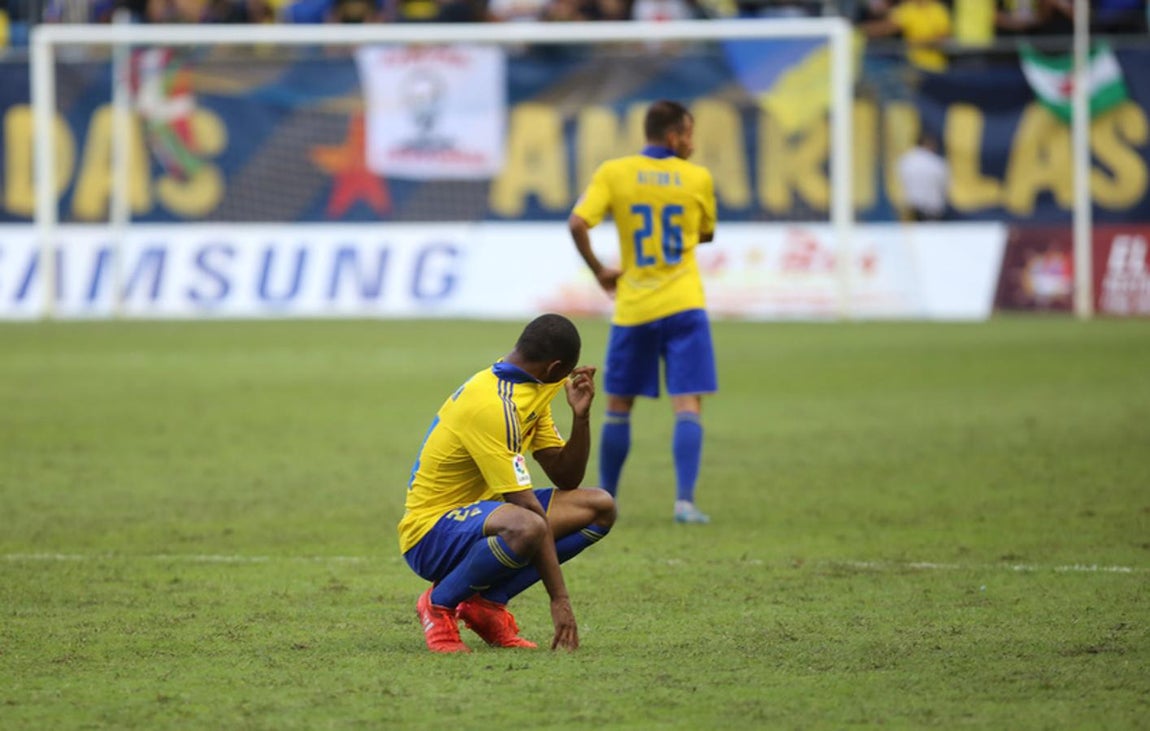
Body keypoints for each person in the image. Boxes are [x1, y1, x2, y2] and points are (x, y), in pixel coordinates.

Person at [399, 313, 617, 654]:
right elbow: (527, 508)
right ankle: (438, 604)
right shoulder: (491, 405)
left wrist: (581, 417)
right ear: (554, 367)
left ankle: (485, 605)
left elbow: (566, 476)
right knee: (527, 525)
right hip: (431, 534)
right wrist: (559, 599)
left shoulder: (533, 386)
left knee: (599, 507)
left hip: (489, 516)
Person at [568, 99, 718, 525]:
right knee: (687, 403)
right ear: (673, 136)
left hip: (634, 307)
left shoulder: (615, 172)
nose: (692, 143)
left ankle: (604, 502)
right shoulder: (697, 178)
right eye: (688, 134)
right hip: (685, 304)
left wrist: (600, 270)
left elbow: (577, 223)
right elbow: (704, 234)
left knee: (619, 404)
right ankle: (685, 504)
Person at [896, 130, 950, 222]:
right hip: (931, 210)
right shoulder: (936, 163)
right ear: (929, 144)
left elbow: (899, 182)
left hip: (910, 208)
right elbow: (946, 186)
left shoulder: (905, 161)